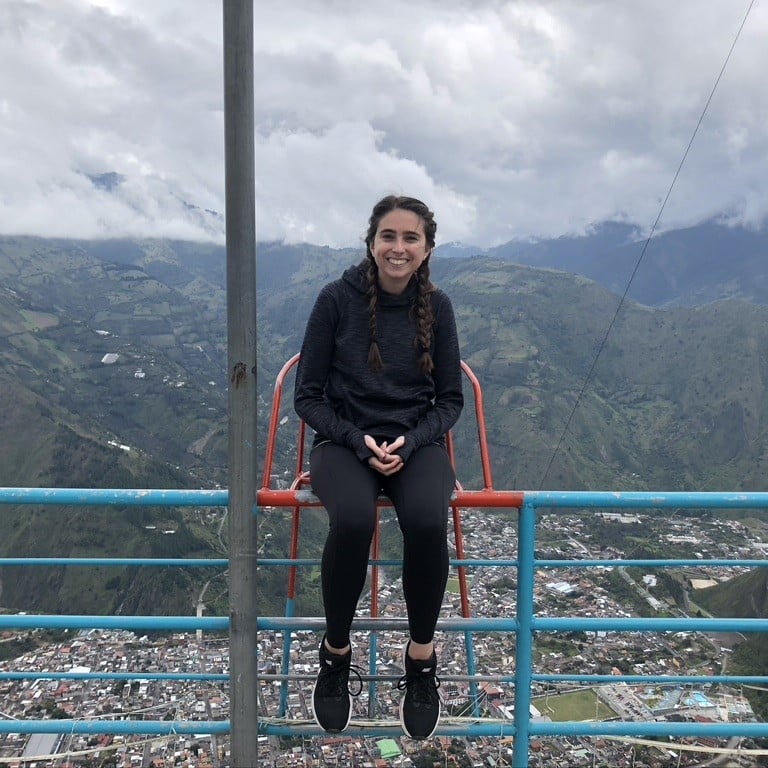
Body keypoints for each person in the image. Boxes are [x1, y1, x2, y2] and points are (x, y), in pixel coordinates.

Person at [294, 194, 464, 740]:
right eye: (388, 236)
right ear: (371, 242)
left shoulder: (437, 309)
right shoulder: (335, 300)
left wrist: (410, 442)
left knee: (424, 520)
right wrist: (354, 437)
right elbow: (309, 394)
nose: (398, 247)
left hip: (415, 445)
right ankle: (336, 653)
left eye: (410, 238)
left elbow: (450, 400)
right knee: (354, 519)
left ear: (427, 248)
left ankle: (420, 661)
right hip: (343, 442)